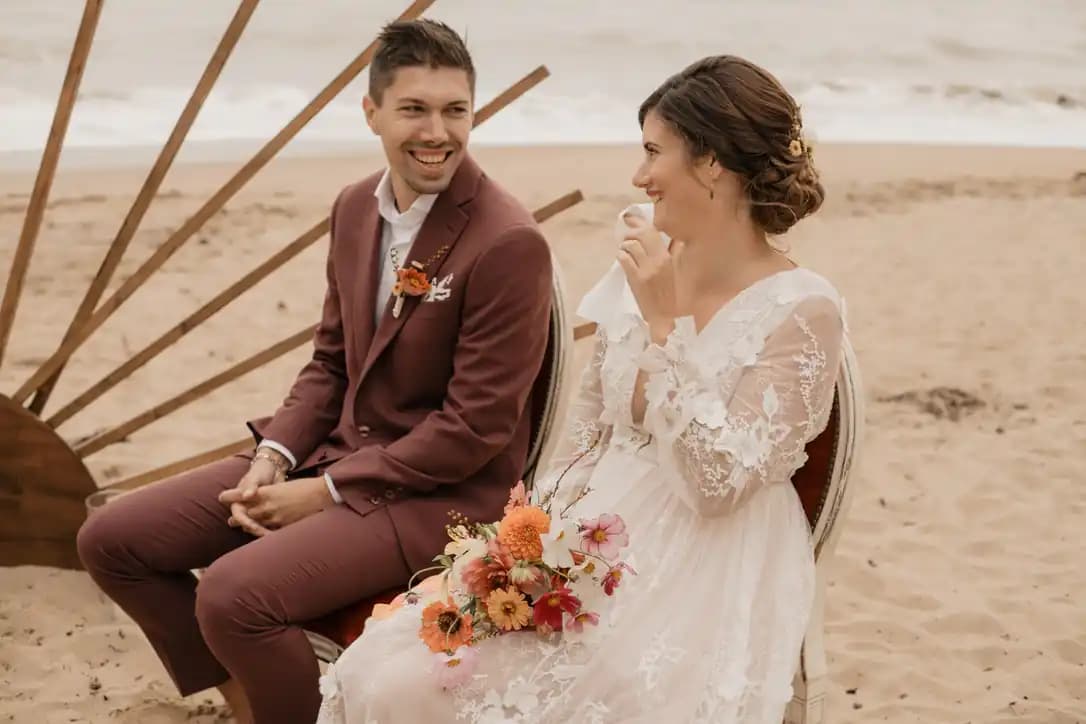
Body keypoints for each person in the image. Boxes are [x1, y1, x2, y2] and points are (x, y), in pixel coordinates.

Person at [315, 54, 845, 724]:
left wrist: (665, 327)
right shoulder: (643, 267)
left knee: (427, 695)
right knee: (378, 667)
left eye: (655, 152)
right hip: (591, 533)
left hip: (699, 563)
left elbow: (718, 487)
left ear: (712, 164)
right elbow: (590, 433)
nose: (640, 176)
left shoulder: (804, 311)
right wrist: (523, 547)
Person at [76, 19, 554, 724]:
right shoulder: (355, 207)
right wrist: (276, 456)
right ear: (372, 114)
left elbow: (475, 430)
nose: (438, 132)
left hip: (444, 499)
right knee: (113, 541)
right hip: (337, 458)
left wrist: (326, 492)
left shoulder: (508, 241)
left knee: (234, 595)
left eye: (456, 110)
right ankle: (252, 700)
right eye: (415, 109)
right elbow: (331, 360)